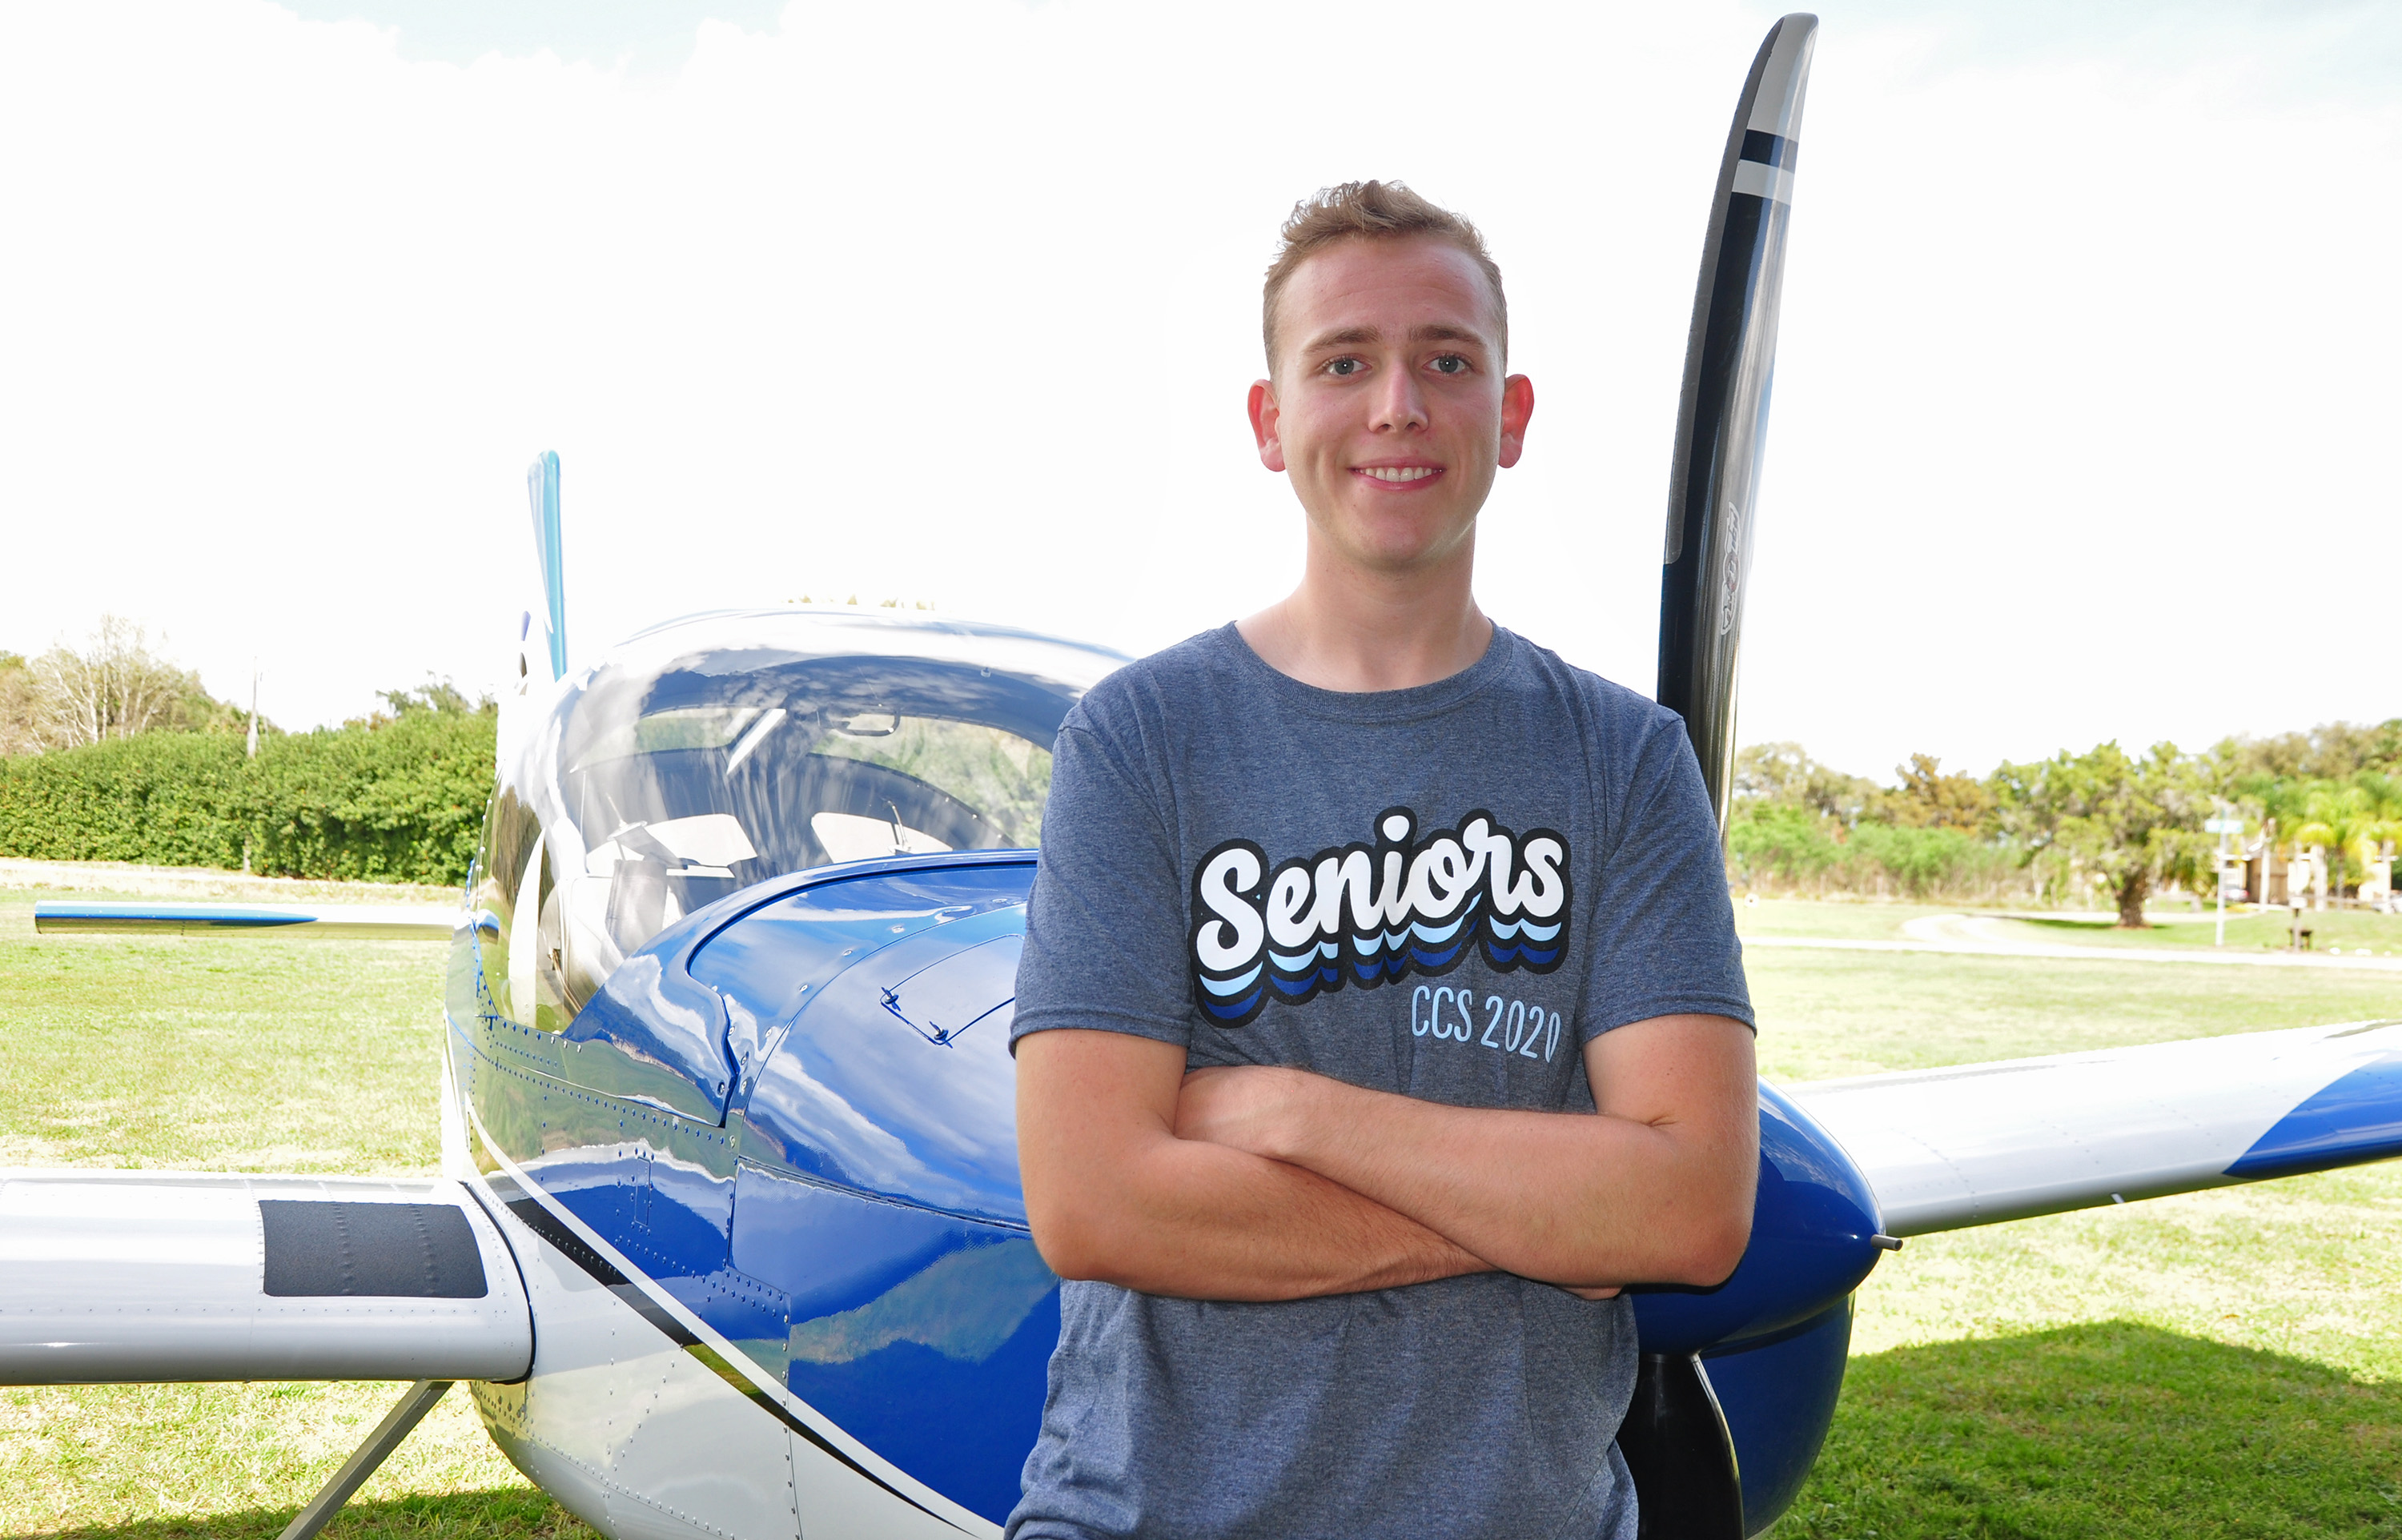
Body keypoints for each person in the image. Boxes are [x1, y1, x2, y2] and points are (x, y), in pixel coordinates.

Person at [1007, 180, 1759, 1540]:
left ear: (1511, 417)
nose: (1397, 404)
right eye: (1344, 361)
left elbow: (1693, 1208)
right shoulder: (1138, 742)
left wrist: (1300, 1116)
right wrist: (1554, 1216)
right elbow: (1095, 1201)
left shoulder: (1626, 762)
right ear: (1270, 420)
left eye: (1446, 361)